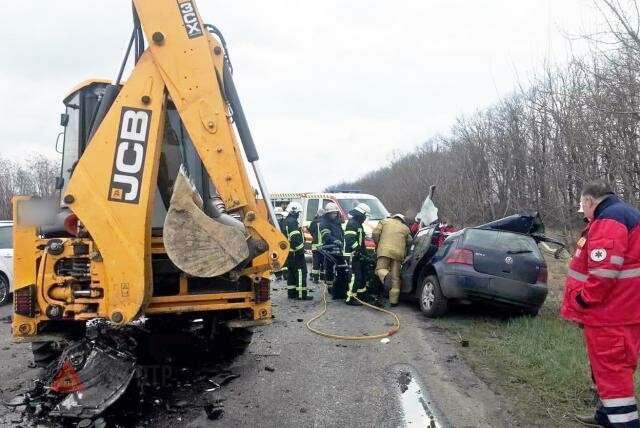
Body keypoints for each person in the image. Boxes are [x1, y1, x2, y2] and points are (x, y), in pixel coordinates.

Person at [561, 181, 640, 428]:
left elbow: (604, 270)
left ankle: (624, 423)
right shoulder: (625, 214)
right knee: (609, 370)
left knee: (613, 373)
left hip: (610, 315)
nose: (583, 212)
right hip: (623, 311)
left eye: (582, 206)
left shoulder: (610, 220)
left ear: (589, 201)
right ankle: (605, 417)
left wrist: (583, 300)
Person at [372, 214, 412, 306]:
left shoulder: (384, 222)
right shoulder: (405, 228)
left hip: (384, 251)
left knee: (380, 269)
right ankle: (394, 301)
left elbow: (375, 233)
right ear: (402, 220)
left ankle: (386, 275)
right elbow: (410, 241)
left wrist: (378, 243)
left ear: (393, 217)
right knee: (395, 278)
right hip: (399, 254)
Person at [344, 203, 371, 306]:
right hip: (352, 254)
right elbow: (350, 239)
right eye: (365, 216)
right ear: (361, 215)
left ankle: (361, 295)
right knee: (356, 276)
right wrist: (358, 250)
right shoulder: (352, 224)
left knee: (363, 274)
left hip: (357, 254)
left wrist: (365, 254)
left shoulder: (358, 224)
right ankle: (350, 298)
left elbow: (361, 241)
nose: (365, 218)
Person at [283, 202, 311, 300]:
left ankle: (291, 294)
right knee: (300, 272)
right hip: (296, 253)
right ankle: (301, 295)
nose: (299, 215)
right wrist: (301, 250)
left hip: (289, 253)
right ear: (294, 212)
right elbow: (295, 238)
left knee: (291, 273)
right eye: (298, 213)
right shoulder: (293, 222)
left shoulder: (285, 221)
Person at [319, 202, 347, 298]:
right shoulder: (324, 223)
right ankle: (330, 289)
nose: (334, 215)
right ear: (328, 214)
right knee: (329, 270)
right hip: (329, 250)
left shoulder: (337, 223)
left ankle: (340, 287)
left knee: (342, 268)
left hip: (339, 250)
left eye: (335, 213)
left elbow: (341, 234)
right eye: (332, 213)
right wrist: (335, 240)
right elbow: (326, 235)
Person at [309, 208, 326, 283]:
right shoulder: (326, 222)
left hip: (315, 246)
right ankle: (323, 278)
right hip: (324, 247)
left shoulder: (314, 222)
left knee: (316, 263)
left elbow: (311, 231)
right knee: (323, 262)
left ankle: (315, 279)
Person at [273, 207, 288, 281]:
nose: (278, 217)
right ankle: (279, 274)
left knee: (283, 259)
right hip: (275, 245)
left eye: (279, 215)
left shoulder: (283, 223)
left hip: (281, 244)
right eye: (277, 215)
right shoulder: (272, 223)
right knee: (276, 259)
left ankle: (284, 274)